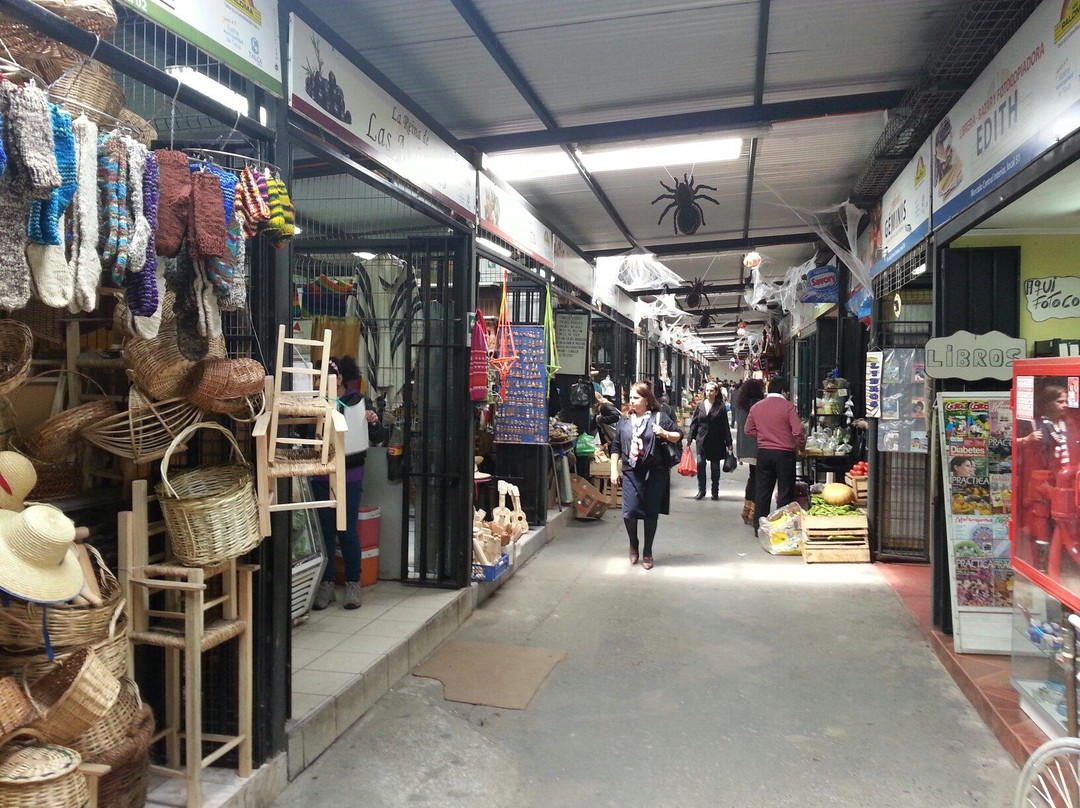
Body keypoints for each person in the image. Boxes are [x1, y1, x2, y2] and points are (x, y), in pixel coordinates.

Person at [312, 357, 387, 610]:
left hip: (350, 475)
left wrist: (373, 421)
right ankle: (327, 585)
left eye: (320, 376)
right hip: (322, 474)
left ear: (339, 379)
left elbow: (377, 436)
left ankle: (353, 583)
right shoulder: (316, 404)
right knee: (324, 531)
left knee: (347, 531)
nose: (315, 382)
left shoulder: (359, 401)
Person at [610, 381, 683, 570]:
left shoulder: (659, 418)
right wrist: (613, 469)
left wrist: (664, 433)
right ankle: (633, 544)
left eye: (636, 398)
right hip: (631, 471)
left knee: (651, 513)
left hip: (655, 473)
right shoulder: (625, 419)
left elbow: (679, 435)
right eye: (631, 398)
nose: (632, 402)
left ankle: (648, 551)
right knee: (629, 511)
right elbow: (616, 445)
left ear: (647, 399)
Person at [744, 377, 805, 527]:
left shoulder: (757, 407)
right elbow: (798, 431)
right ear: (783, 391)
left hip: (764, 453)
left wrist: (764, 435)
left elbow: (748, 429)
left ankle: (759, 526)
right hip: (785, 455)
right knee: (785, 492)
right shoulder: (789, 407)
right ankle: (781, 527)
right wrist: (801, 447)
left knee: (763, 491)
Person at [687, 381, 732, 500]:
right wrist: (690, 437)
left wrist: (729, 442)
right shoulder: (700, 405)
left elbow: (725, 425)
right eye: (707, 390)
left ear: (716, 392)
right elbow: (694, 423)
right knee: (700, 464)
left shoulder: (720, 407)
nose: (709, 393)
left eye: (712, 390)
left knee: (715, 468)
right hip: (701, 440)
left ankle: (715, 491)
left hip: (716, 441)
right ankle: (701, 490)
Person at [734, 378, 766, 525]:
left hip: (745, 448)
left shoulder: (741, 406)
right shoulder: (759, 405)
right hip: (759, 447)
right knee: (759, 480)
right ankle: (754, 510)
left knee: (752, 477)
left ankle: (747, 509)